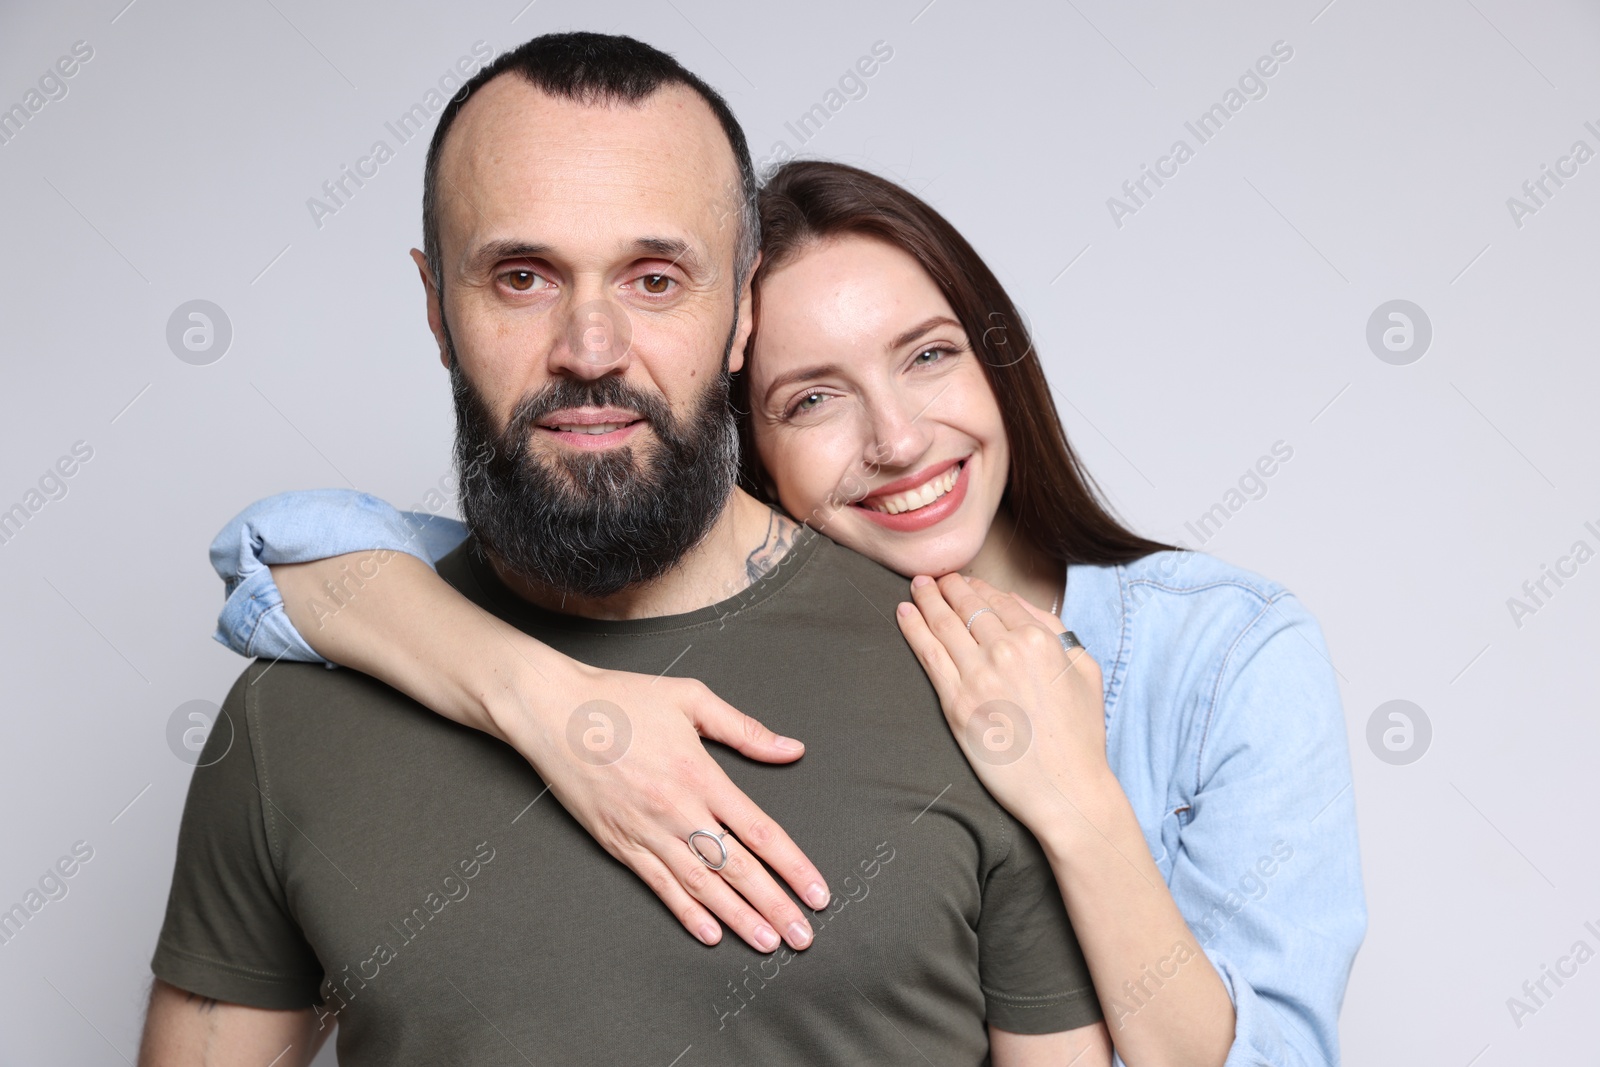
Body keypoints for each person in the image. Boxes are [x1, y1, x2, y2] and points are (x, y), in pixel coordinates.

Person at [202, 145, 1366, 1067]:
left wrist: (1075, 796)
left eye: (927, 356)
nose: (899, 439)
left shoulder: (1222, 649)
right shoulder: (713, 624)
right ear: (741, 439)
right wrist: (546, 700)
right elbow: (283, 554)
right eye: (813, 399)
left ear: (996, 359)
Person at [140, 32, 1115, 1067]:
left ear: (742, 309)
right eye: (522, 277)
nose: (591, 348)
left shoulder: (976, 683)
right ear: (435, 306)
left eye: (655, 279)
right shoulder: (292, 716)